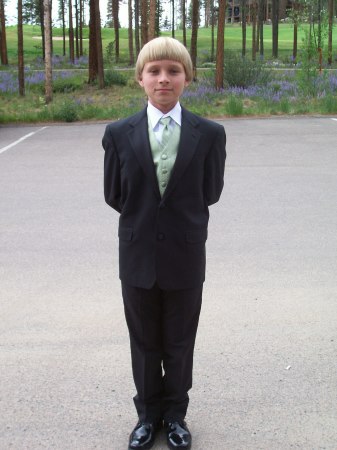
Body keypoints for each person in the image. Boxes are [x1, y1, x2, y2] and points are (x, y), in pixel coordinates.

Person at [102, 37, 226, 450]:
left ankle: (175, 416)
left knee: (179, 341)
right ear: (140, 79)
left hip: (186, 256)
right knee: (143, 342)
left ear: (187, 78)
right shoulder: (118, 134)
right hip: (137, 255)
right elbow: (115, 195)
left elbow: (210, 191)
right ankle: (146, 415)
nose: (163, 79)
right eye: (154, 71)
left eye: (173, 71)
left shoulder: (209, 134)